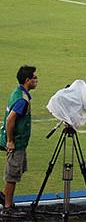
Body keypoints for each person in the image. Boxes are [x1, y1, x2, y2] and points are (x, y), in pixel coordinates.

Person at [1, 66, 38, 214]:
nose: (37, 80)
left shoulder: (19, 93)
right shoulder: (22, 100)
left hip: (18, 142)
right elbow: (10, 120)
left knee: (15, 173)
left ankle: (5, 197)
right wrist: (10, 141)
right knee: (12, 175)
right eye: (34, 78)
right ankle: (7, 207)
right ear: (27, 80)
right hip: (16, 143)